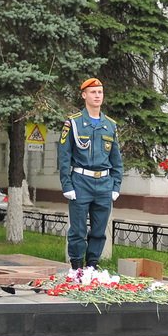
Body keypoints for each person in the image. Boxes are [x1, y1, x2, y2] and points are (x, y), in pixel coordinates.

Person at [57, 77, 123, 269]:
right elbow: (64, 156)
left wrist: (116, 185)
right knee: (78, 230)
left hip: (104, 184)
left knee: (99, 231)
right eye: (93, 92)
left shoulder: (110, 125)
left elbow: (116, 159)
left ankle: (92, 267)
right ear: (84, 95)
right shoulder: (74, 123)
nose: (97, 95)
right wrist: (67, 185)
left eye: (100, 92)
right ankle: (76, 268)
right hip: (80, 182)